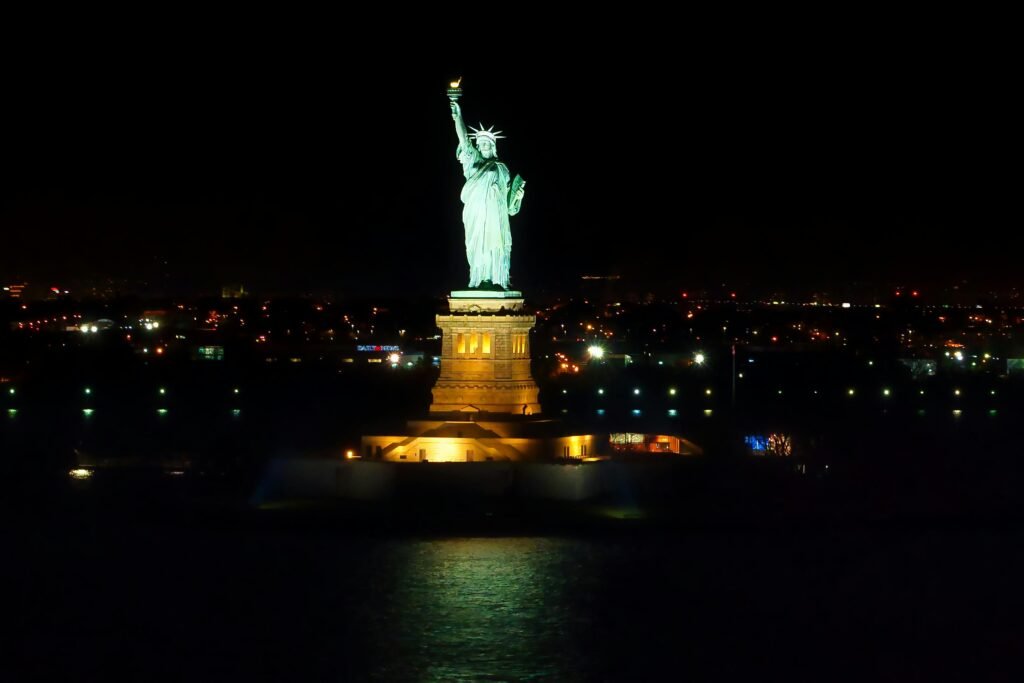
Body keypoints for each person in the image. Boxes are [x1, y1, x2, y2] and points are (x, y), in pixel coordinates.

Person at [450, 99, 525, 290]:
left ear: (492, 146)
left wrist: (518, 196)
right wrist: (457, 115)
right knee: (477, 244)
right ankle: (480, 276)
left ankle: (496, 279)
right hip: (476, 211)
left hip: (495, 214)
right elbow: (464, 140)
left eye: (486, 143)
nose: (482, 146)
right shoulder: (472, 162)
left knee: (494, 243)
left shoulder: (501, 168)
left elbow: (510, 206)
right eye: (480, 143)